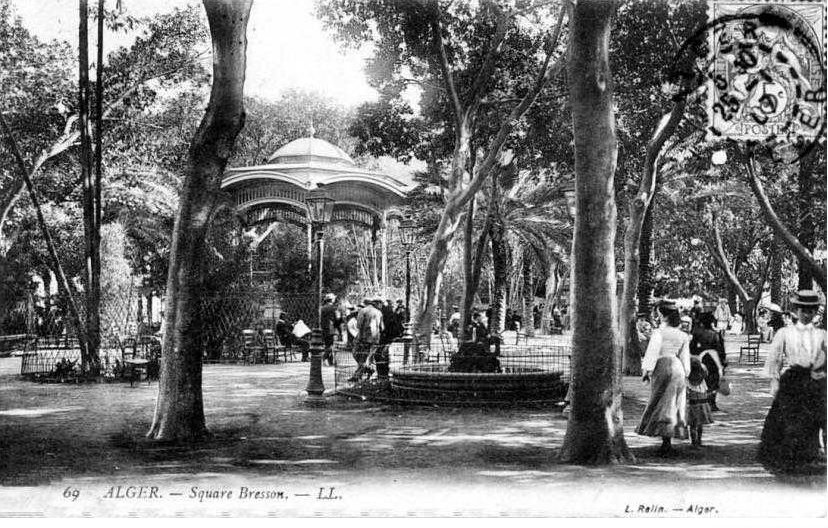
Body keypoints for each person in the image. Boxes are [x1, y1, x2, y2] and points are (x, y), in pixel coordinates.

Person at [758, 290, 827, 474]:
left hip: (815, 380)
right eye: (803, 310)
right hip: (793, 381)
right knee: (790, 418)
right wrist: (774, 381)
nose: (807, 314)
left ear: (816, 312)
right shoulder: (784, 333)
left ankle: (811, 454)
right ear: (796, 310)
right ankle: (791, 458)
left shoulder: (822, 334)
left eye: (811, 310)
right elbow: (774, 359)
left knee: (814, 417)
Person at [636, 300, 691, 456]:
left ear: (662, 315)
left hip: (662, 365)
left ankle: (664, 441)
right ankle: (668, 439)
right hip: (677, 366)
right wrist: (686, 372)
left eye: (658, 313)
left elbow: (652, 352)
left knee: (660, 401)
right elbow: (685, 357)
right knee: (674, 403)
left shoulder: (659, 333)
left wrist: (646, 371)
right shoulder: (682, 335)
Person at [690, 311, 726, 412]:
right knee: (714, 382)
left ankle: (703, 403)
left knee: (702, 381)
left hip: (701, 359)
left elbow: (692, 348)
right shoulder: (716, 334)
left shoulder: (697, 333)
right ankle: (712, 403)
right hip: (714, 360)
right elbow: (720, 349)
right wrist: (723, 362)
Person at [350, 297, 384, 382]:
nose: (381, 305)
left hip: (364, 338)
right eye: (381, 304)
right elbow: (382, 328)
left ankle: (360, 374)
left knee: (358, 355)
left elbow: (358, 325)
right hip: (375, 339)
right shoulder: (379, 312)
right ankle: (366, 372)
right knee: (368, 357)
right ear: (376, 303)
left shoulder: (363, 311)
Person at [686, 357, 714, 448]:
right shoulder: (702, 381)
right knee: (700, 424)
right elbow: (706, 372)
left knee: (693, 425)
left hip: (693, 404)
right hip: (702, 404)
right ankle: (699, 441)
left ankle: (694, 442)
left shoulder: (687, 381)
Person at [320, 293, 341, 366]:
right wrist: (339, 329)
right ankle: (323, 358)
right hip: (331, 329)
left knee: (327, 345)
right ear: (332, 299)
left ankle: (331, 362)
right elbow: (337, 319)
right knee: (330, 346)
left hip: (323, 329)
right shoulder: (334, 308)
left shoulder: (322, 308)